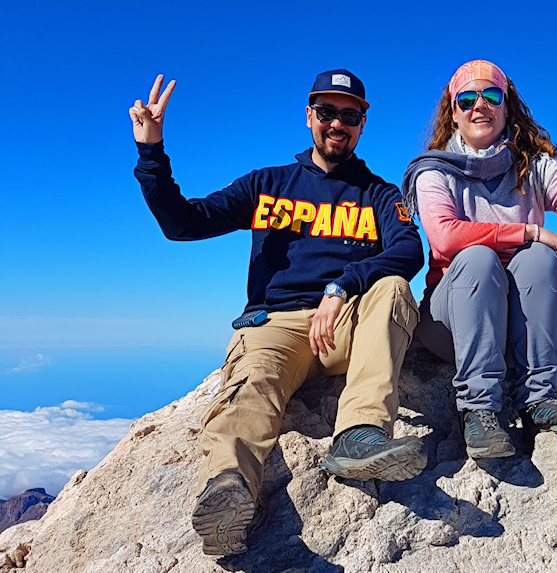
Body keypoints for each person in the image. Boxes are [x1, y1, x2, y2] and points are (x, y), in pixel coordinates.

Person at [130, 69, 426, 556]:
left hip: (347, 321)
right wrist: (151, 152)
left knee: (393, 287)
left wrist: (343, 285)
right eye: (327, 112)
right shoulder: (268, 184)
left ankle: (359, 436)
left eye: (349, 115)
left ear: (362, 123)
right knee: (253, 384)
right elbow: (183, 224)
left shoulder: (379, 194)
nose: (337, 123)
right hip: (277, 325)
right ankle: (228, 490)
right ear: (309, 116)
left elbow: (409, 251)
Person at [402, 60, 557, 459]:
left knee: (540, 259)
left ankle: (540, 397)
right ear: (453, 113)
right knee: (477, 257)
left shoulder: (531, 165)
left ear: (507, 106)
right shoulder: (434, 172)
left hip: (515, 327)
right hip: (452, 325)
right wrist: (526, 231)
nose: (480, 105)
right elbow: (445, 236)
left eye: (492, 96)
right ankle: (478, 411)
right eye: (467, 98)